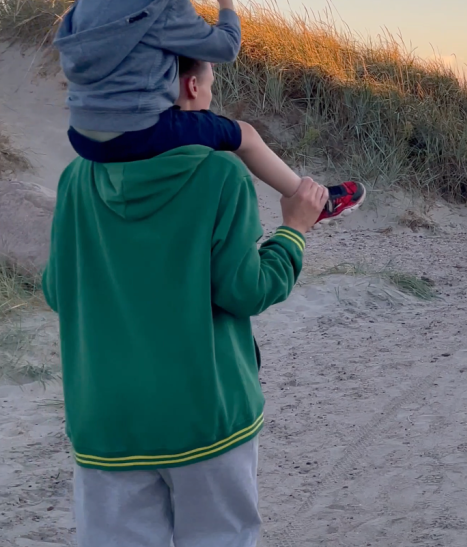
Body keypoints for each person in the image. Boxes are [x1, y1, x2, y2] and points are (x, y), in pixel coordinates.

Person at [43, 57, 330, 546]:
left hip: (105, 422)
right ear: (192, 87)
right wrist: (294, 231)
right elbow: (248, 290)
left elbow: (56, 290)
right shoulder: (219, 174)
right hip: (207, 418)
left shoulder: (77, 179)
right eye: (212, 86)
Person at [53, 0, 365, 225]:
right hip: (136, 134)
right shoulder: (162, 2)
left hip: (81, 134)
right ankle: (312, 200)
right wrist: (226, 4)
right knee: (244, 134)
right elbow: (226, 47)